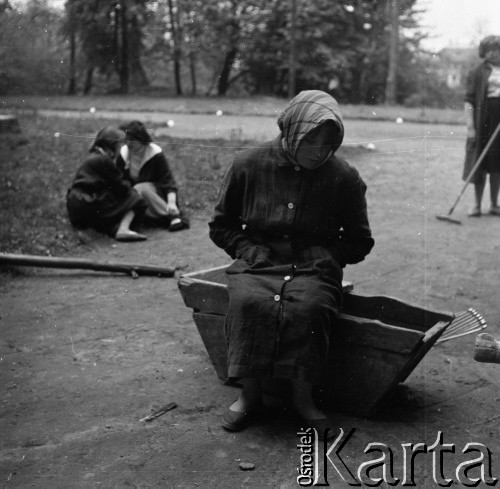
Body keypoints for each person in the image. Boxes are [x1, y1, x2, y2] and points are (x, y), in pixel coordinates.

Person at [208, 90, 374, 439]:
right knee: (248, 302)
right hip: (258, 262)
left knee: (310, 307)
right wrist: (249, 252)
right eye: (311, 140)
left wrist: (326, 258)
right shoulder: (247, 164)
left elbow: (360, 240)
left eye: (328, 143)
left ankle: (303, 397)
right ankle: (249, 394)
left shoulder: (344, 176)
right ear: (292, 130)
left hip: (313, 268)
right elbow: (221, 226)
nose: (319, 151)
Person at [66, 127, 148, 242]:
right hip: (87, 202)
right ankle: (123, 229)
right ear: (113, 144)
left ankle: (112, 229)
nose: (122, 148)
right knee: (136, 198)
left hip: (77, 205)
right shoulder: (103, 160)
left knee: (114, 202)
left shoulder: (96, 156)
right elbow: (121, 187)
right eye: (121, 144)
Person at [116, 120, 189, 232]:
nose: (129, 144)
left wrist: (171, 203)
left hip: (156, 194)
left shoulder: (155, 153)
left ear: (141, 139)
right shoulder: (124, 153)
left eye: (132, 140)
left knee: (141, 188)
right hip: (136, 196)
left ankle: (172, 215)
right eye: (127, 140)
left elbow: (168, 181)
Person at [463, 35, 500, 217]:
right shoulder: (477, 71)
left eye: (495, 48)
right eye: (487, 49)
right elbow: (469, 101)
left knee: (497, 164)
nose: (491, 52)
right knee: (480, 161)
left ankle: (494, 204)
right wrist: (470, 127)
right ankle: (477, 205)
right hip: (483, 120)